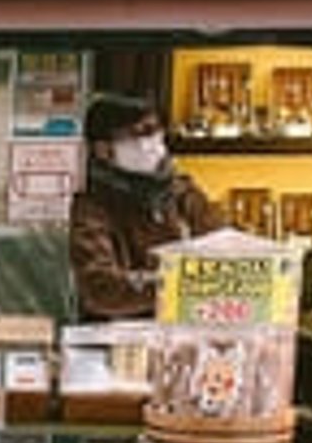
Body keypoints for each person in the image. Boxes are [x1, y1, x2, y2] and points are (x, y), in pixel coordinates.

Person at [69, 92, 219, 320]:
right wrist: (177, 284)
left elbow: (224, 251)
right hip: (123, 339)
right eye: (139, 134)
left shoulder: (184, 194)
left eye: (156, 131)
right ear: (104, 150)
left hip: (190, 332)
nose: (153, 142)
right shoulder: (92, 208)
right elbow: (99, 287)